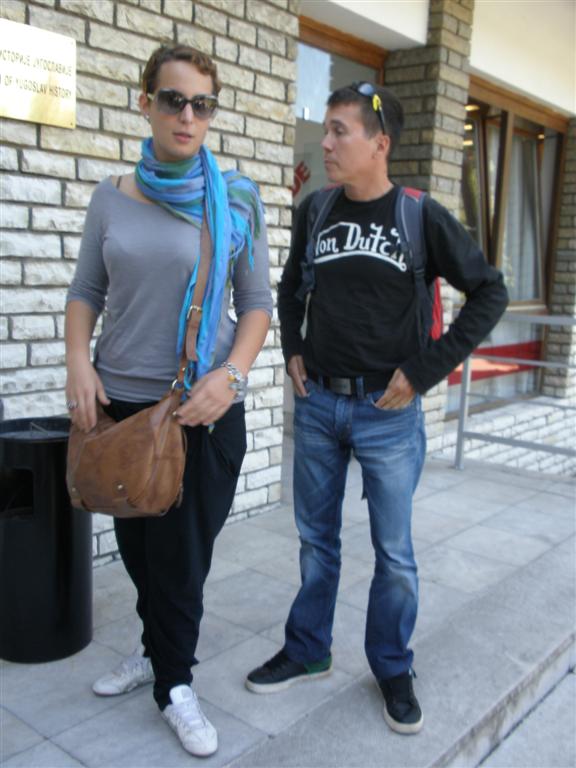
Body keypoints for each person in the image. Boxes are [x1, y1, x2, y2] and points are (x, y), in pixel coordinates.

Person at [245, 82, 508, 734]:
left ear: (379, 143)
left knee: (394, 554)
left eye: (340, 131)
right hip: (317, 404)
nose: (326, 143)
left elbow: (490, 293)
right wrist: (293, 348)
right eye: (326, 129)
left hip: (388, 414)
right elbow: (289, 288)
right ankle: (308, 649)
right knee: (316, 542)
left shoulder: (420, 216)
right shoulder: (316, 210)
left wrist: (423, 371)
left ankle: (391, 665)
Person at [65, 44, 272, 757]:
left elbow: (256, 304)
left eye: (201, 104)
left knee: (181, 560)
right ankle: (156, 651)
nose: (188, 115)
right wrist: (77, 362)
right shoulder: (111, 197)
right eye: (173, 99)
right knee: (138, 549)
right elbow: (86, 290)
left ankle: (174, 684)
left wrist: (232, 376)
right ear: (145, 102)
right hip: (121, 407)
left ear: (211, 113)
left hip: (200, 412)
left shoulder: (236, 199)